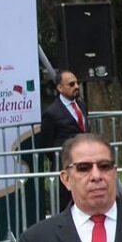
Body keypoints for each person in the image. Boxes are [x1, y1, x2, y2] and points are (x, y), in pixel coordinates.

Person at [41, 70, 88, 210]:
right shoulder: (52, 112)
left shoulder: (81, 105)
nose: (76, 86)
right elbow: (47, 142)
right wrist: (60, 158)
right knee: (67, 202)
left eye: (77, 83)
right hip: (66, 163)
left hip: (84, 159)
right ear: (60, 88)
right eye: (71, 84)